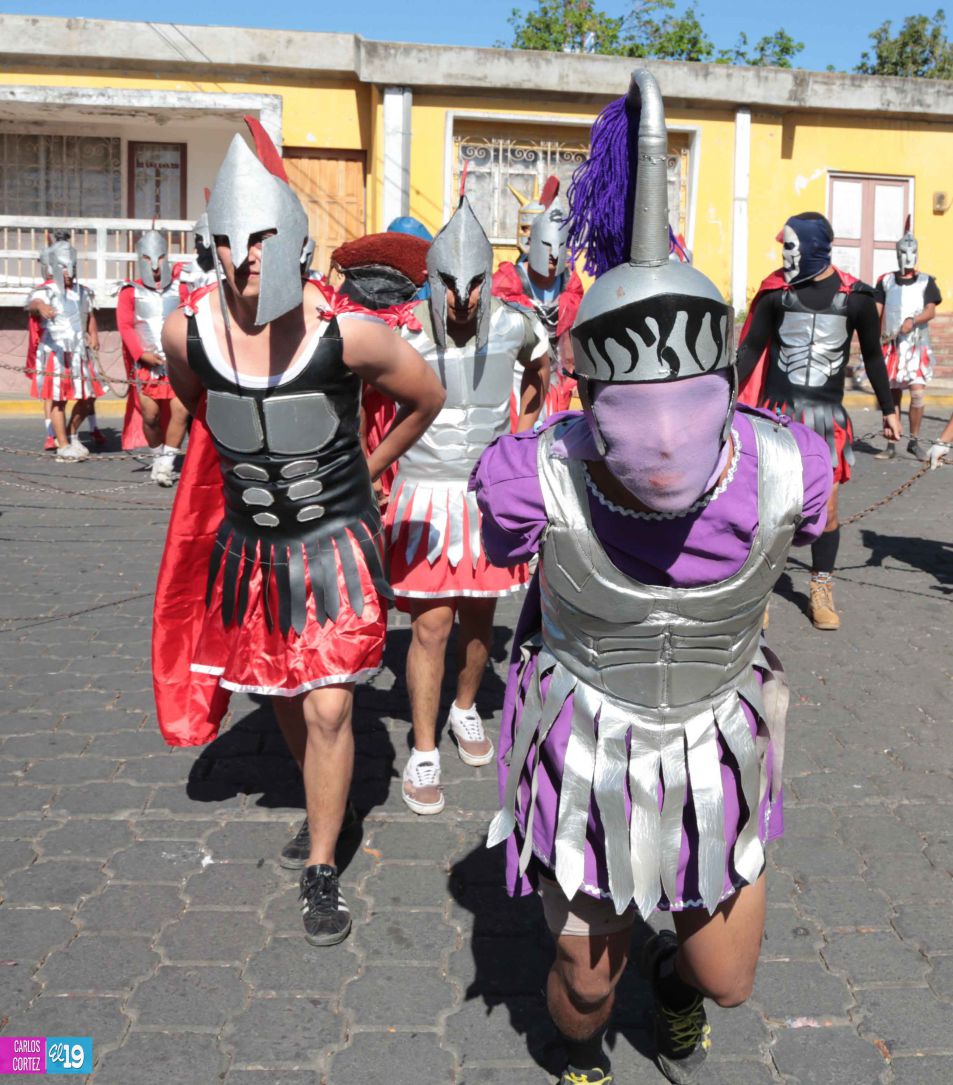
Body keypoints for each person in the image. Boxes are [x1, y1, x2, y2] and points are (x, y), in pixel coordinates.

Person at [474, 70, 833, 1085]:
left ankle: (673, 978)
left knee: (725, 977)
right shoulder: (531, 467)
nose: (663, 440)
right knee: (584, 985)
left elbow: (817, 510)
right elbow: (499, 533)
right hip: (587, 731)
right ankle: (576, 1045)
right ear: (592, 393)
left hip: (717, 729)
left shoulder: (786, 462)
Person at [153, 119, 443, 947]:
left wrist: (372, 464)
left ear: (297, 242)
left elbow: (425, 398)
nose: (249, 257)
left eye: (264, 240)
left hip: (336, 549)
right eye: (233, 241)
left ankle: (322, 862)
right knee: (280, 690)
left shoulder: (348, 335)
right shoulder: (185, 332)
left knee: (326, 706)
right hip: (249, 551)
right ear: (213, 244)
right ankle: (326, 795)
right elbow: (194, 403)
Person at [385, 188, 549, 816]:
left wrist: (525, 433)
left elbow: (541, 369)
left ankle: (465, 709)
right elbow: (358, 388)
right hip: (423, 495)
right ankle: (423, 750)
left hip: (486, 495)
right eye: (452, 285)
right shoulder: (400, 330)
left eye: (476, 284)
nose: (464, 298)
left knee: (480, 621)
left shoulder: (513, 322)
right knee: (430, 626)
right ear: (431, 280)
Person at [736, 212, 901, 631]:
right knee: (771, 509)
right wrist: (720, 397)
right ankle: (760, 591)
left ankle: (821, 588)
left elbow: (873, 358)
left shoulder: (857, 298)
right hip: (775, 415)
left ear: (812, 248)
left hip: (826, 418)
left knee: (826, 512)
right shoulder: (776, 294)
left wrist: (888, 409)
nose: (784, 257)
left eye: (790, 247)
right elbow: (750, 351)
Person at [493, 177, 584, 415]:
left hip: (556, 374)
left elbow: (575, 333)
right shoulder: (508, 279)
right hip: (516, 371)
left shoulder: (570, 282)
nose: (553, 256)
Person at [116, 229, 191, 484]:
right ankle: (158, 454)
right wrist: (140, 354)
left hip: (177, 364)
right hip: (148, 366)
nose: (155, 265)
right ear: (140, 258)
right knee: (150, 416)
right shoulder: (130, 291)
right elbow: (125, 326)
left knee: (180, 411)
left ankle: (167, 463)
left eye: (159, 258)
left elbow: (189, 319)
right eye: (148, 259)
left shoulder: (180, 289)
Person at [25, 238, 103, 463]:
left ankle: (71, 433)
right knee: (58, 400)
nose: (68, 272)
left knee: (88, 398)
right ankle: (63, 445)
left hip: (80, 353)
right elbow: (33, 303)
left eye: (72, 266)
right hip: (56, 354)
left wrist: (94, 334)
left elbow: (89, 315)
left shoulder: (82, 291)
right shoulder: (46, 290)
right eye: (63, 266)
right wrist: (41, 307)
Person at [874, 219, 941, 461]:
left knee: (917, 394)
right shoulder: (886, 281)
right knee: (891, 397)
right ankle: (891, 444)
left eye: (911, 251)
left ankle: (914, 441)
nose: (908, 255)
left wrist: (914, 320)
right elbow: (877, 310)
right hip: (891, 347)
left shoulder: (926, 281)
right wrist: (873, 335)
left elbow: (931, 310)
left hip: (916, 347)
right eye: (903, 251)